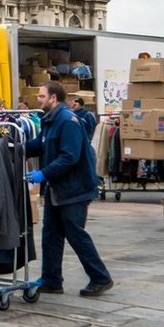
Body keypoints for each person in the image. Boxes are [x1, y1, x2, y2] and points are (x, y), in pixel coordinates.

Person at [25, 80, 113, 297]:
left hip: (75, 189)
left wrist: (43, 174)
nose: (38, 99)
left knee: (75, 234)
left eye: (42, 96)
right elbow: (41, 144)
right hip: (57, 190)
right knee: (51, 235)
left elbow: (69, 157)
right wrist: (15, 147)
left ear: (53, 98)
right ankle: (52, 279)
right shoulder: (50, 120)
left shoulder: (68, 121)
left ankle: (101, 278)